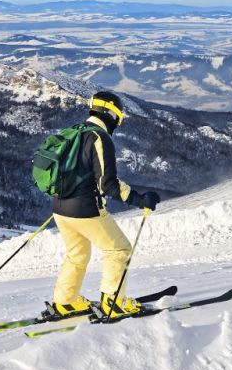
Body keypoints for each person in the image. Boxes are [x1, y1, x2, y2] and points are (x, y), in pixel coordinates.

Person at [44, 91, 161, 319]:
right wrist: (139, 199)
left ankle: (65, 303)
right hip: (84, 210)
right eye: (119, 115)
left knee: (76, 255)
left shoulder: (74, 132)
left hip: (59, 208)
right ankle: (113, 305)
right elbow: (107, 184)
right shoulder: (99, 138)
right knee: (119, 250)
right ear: (112, 114)